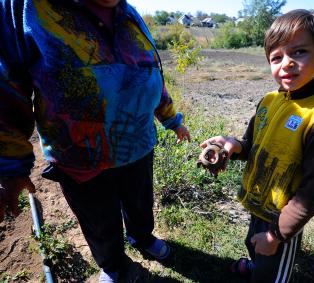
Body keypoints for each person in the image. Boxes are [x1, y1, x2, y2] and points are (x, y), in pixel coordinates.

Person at [0, 0, 190, 282]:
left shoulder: (130, 14)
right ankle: (113, 265)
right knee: (99, 221)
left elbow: (151, 75)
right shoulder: (26, 7)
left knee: (140, 202)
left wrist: (172, 120)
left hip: (137, 146)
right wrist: (10, 166)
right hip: (80, 158)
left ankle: (141, 236)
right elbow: (5, 87)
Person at [200, 9, 314, 283]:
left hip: (282, 220)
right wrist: (232, 146)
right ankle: (255, 266)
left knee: (272, 271)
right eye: (276, 57)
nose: (286, 64)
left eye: (299, 52)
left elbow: (312, 193)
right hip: (258, 205)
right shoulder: (269, 101)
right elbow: (251, 146)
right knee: (253, 245)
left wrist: (276, 235)